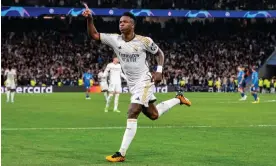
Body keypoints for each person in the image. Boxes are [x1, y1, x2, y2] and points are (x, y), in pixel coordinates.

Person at [82, 4, 191, 162]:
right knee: (153, 115)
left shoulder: (144, 41)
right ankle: (178, 99)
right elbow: (94, 34)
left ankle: (121, 153)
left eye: (124, 22)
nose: (121, 24)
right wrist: (90, 19)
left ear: (132, 25)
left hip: (145, 81)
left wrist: (159, 70)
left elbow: (159, 53)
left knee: (132, 111)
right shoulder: (115, 39)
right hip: (133, 85)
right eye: (120, 22)